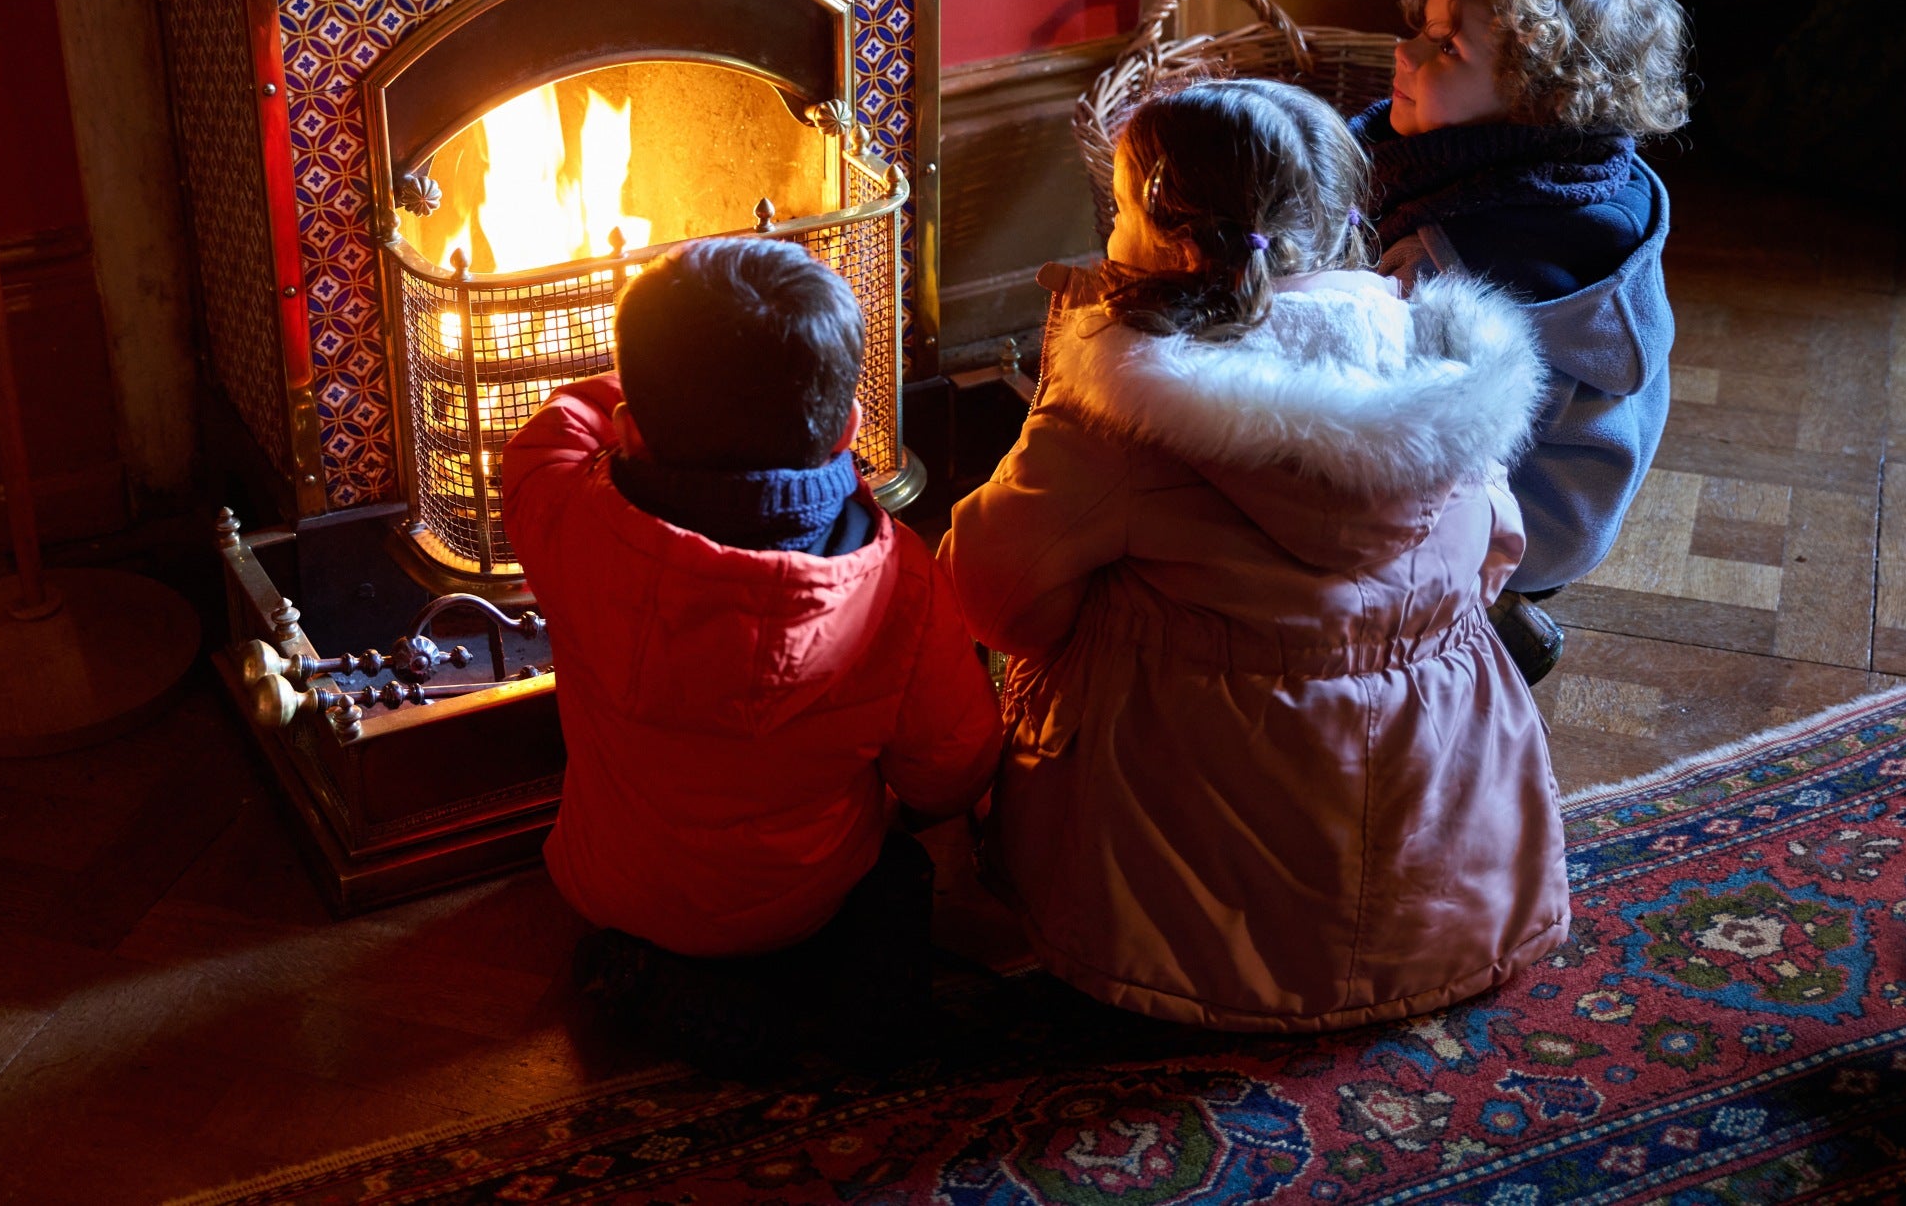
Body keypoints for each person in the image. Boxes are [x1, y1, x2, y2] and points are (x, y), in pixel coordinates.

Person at [943, 78, 1568, 1031]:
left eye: (1117, 209)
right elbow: (1497, 555)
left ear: (1178, 242)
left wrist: (1057, 397)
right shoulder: (1443, 367)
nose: (1110, 231)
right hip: (1436, 877)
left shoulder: (1120, 411)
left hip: (1176, 911)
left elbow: (993, 596)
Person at [500, 236, 1000, 1073]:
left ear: (630, 426)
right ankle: (840, 1016)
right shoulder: (903, 582)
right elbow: (950, 769)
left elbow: (552, 428)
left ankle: (659, 986)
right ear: (847, 425)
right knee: (896, 876)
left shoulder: (561, 516)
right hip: (807, 899)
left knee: (678, 909)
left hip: (612, 888)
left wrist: (675, 376)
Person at [1354, 0, 1684, 683]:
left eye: (1445, 47)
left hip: (1533, 509)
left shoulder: (1501, 257)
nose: (1402, 52)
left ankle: (1484, 618)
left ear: (1538, 99)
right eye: (1419, 28)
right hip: (1535, 477)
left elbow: (1408, 425)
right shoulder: (1533, 171)